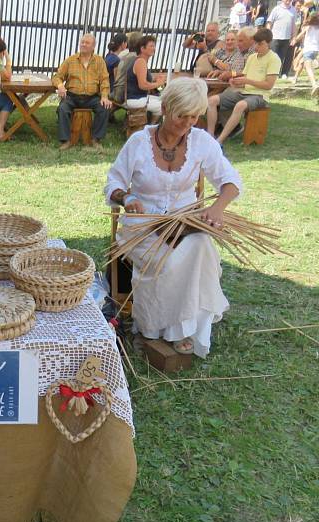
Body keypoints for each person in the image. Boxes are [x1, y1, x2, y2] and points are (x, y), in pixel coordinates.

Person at [105, 77, 242, 357]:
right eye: (183, 115)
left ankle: (183, 328)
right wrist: (127, 198)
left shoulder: (201, 141)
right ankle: (153, 327)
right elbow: (113, 184)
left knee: (201, 247)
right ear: (166, 107)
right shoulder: (138, 142)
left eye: (195, 116)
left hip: (185, 222)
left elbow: (230, 181)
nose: (188, 123)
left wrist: (217, 209)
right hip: (143, 226)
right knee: (164, 260)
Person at [206, 28, 281, 145]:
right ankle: (210, 136)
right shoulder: (252, 57)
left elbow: (268, 85)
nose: (257, 47)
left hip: (260, 96)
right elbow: (245, 75)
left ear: (269, 43)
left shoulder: (274, 59)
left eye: (260, 44)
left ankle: (220, 140)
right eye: (256, 43)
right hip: (243, 91)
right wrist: (236, 81)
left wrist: (247, 80)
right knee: (212, 100)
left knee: (240, 106)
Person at [53, 33, 112, 151]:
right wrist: (60, 85)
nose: (83, 44)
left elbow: (105, 80)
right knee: (62, 109)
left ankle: (96, 139)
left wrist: (104, 96)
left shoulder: (100, 61)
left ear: (93, 46)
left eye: (87, 43)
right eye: (82, 42)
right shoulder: (70, 60)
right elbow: (57, 76)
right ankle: (66, 140)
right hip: (72, 96)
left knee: (104, 108)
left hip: (92, 97)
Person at [125, 36, 166, 120]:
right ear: (142, 48)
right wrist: (159, 83)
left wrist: (154, 79)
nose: (154, 48)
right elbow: (142, 85)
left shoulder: (139, 60)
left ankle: (150, 124)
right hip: (135, 99)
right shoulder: (141, 62)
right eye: (151, 46)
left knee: (162, 99)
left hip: (135, 97)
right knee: (163, 106)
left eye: (154, 46)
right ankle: (150, 127)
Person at [267, 0, 298, 76]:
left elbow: (294, 25)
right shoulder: (276, 9)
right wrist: (267, 35)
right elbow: (269, 23)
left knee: (282, 57)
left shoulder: (293, 10)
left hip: (287, 38)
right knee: (273, 57)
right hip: (275, 37)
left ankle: (283, 73)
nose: (288, 1)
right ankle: (272, 73)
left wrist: (294, 37)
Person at [291, 13, 319, 94]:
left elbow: (301, 35)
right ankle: (295, 78)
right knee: (301, 62)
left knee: (308, 68)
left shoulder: (308, 26)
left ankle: (314, 85)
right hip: (316, 50)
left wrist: (295, 40)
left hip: (308, 49)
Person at [113, 31, 144, 105]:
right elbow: (142, 83)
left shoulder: (125, 56)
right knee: (159, 105)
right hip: (126, 96)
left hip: (117, 92)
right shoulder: (137, 59)